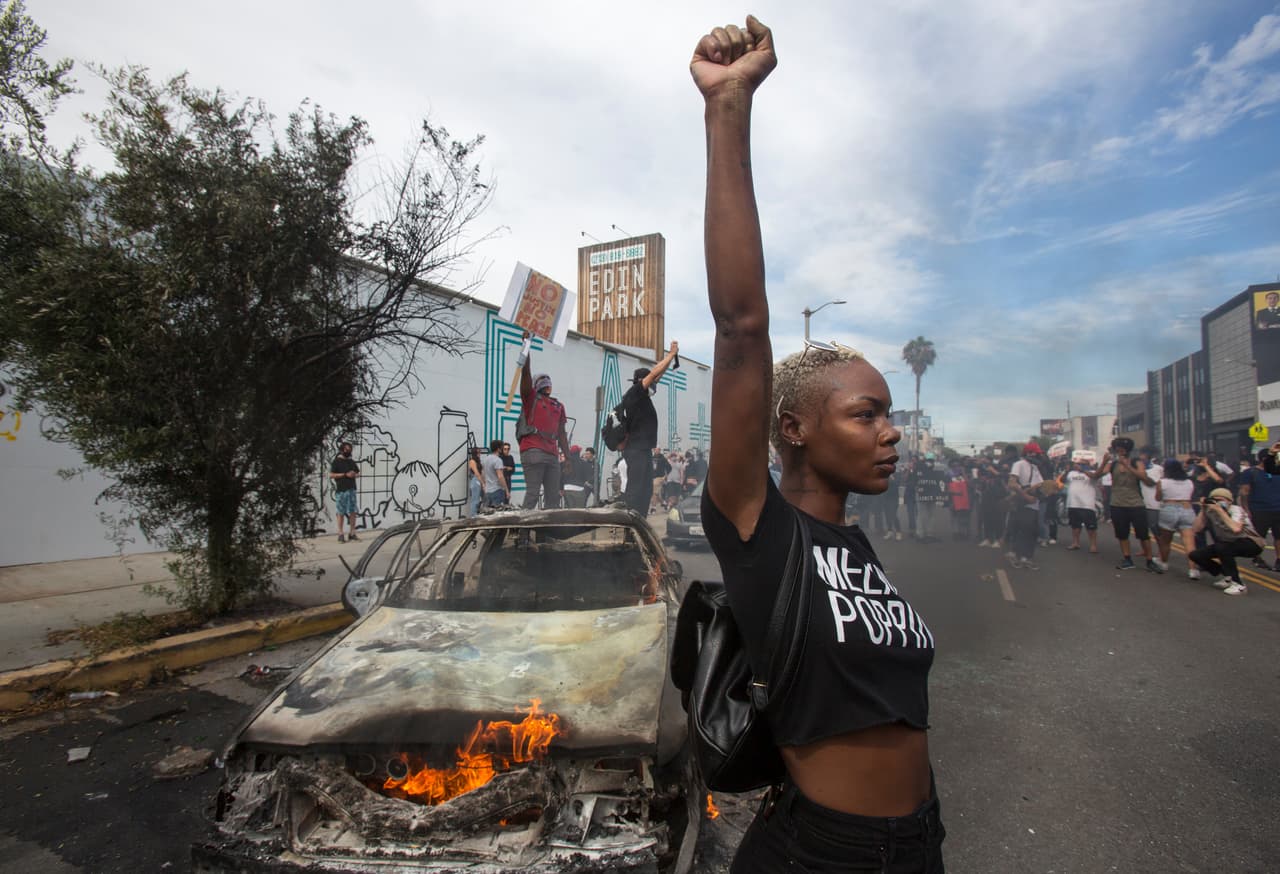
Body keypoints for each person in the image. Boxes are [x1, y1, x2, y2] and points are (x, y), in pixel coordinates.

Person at [692, 17, 943, 872]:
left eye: (887, 414)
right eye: (866, 415)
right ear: (793, 429)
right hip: (824, 856)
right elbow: (741, 324)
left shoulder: (855, 545)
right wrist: (728, 109)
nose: (890, 431)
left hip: (919, 846)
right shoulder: (760, 530)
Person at [619, 341, 681, 515]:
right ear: (642, 382)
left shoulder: (644, 397)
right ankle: (630, 522)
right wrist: (670, 354)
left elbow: (657, 375)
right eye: (650, 382)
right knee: (636, 488)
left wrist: (671, 359)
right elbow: (654, 373)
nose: (654, 385)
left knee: (646, 490)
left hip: (644, 449)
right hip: (635, 449)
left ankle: (640, 520)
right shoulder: (634, 394)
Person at [516, 345, 571, 510]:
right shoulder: (531, 398)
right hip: (533, 450)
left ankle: (546, 527)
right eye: (543, 380)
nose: (547, 383)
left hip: (552, 454)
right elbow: (526, 374)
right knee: (533, 494)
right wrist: (526, 349)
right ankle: (522, 526)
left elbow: (561, 434)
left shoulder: (558, 405)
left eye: (548, 381)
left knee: (553, 497)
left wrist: (568, 458)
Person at [1096, 437, 1160, 572]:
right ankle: (1127, 559)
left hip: (1136, 503)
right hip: (1117, 503)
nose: (1119, 451)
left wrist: (1128, 466)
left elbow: (1144, 478)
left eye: (1122, 448)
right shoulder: (1113, 464)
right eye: (1117, 448)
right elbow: (1097, 475)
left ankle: (1149, 560)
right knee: (1122, 534)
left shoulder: (1137, 462)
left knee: (1143, 534)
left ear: (1127, 450)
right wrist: (1104, 462)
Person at [1189, 487, 1261, 595]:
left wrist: (1220, 511)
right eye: (1214, 500)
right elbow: (1196, 529)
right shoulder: (1210, 511)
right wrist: (1203, 510)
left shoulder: (1236, 510)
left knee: (1222, 547)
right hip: (1228, 543)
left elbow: (1236, 529)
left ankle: (1239, 585)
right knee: (1196, 555)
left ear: (1230, 501)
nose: (1217, 502)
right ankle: (1228, 576)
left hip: (1251, 542)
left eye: (1221, 500)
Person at [1237, 446, 1280, 572]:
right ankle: (1257, 557)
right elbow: (1244, 492)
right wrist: (1246, 510)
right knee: (1259, 536)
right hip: (1259, 509)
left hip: (1278, 509)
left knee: (1278, 536)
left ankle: (1279, 560)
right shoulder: (1250, 473)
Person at [1154, 458, 1197, 577]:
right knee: (1189, 542)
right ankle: (1193, 570)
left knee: (1165, 541)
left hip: (1169, 508)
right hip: (1187, 508)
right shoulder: (1189, 482)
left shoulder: (1162, 482)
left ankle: (1163, 562)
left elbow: (1158, 498)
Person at [1007, 442, 1044, 569]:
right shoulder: (1019, 464)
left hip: (1034, 504)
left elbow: (1040, 485)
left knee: (1032, 532)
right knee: (1023, 531)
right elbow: (1012, 483)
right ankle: (1018, 556)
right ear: (1028, 453)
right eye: (1036, 453)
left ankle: (1026, 557)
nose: (1038, 456)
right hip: (1023, 504)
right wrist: (1026, 496)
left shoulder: (1035, 467)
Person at [1059, 459, 1101, 553]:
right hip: (1073, 503)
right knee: (1075, 525)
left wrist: (1083, 470)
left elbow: (1095, 476)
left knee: (1091, 527)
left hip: (1087, 504)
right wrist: (1067, 471)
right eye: (1078, 464)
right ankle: (1075, 543)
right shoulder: (1071, 473)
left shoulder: (1092, 472)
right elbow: (1062, 480)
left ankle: (1093, 545)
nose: (1079, 465)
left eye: (1082, 464)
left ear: (1087, 465)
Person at [329, 441, 361, 543]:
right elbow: (331, 475)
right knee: (341, 512)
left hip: (352, 489)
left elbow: (358, 473)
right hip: (341, 490)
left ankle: (352, 532)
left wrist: (354, 474)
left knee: (353, 511)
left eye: (350, 450)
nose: (348, 452)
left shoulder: (351, 461)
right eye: (347, 450)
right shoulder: (336, 462)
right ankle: (340, 533)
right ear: (342, 450)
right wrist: (344, 474)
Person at [481, 439, 510, 509]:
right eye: (502, 447)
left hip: (487, 491)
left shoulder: (485, 459)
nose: (502, 449)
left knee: (488, 512)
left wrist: (484, 485)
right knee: (497, 513)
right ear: (498, 449)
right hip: (497, 490)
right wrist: (506, 490)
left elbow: (482, 474)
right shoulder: (498, 460)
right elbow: (500, 477)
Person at [650, 446, 672, 513]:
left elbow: (669, 467)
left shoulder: (663, 458)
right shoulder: (652, 458)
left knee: (654, 492)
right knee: (656, 493)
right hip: (652, 477)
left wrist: (665, 476)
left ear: (659, 450)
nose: (656, 451)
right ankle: (664, 503)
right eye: (655, 449)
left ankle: (653, 508)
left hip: (659, 477)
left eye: (657, 449)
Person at [466, 446, 483, 517]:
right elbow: (476, 473)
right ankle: (473, 515)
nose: (479, 454)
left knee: (478, 499)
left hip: (478, 480)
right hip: (475, 480)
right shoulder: (472, 461)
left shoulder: (478, 461)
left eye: (480, 452)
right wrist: (483, 483)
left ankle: (476, 514)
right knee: (475, 500)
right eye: (478, 452)